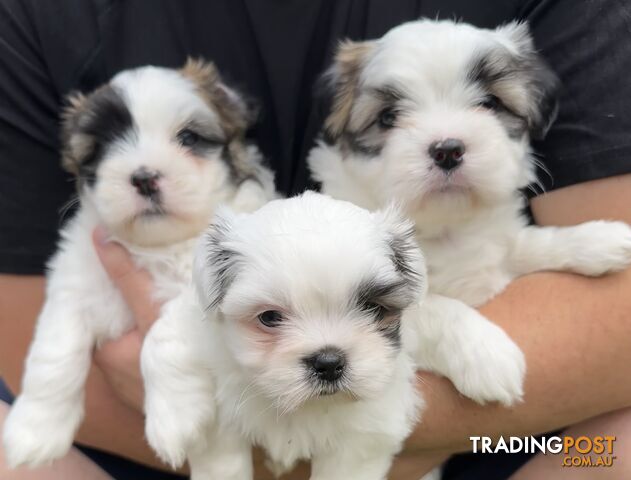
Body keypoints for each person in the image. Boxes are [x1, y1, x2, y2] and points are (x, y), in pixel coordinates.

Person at [0, 1, 630, 479]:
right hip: (146, 450)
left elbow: (616, 321)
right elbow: (23, 345)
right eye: (389, 117)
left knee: (614, 443)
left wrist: (361, 438)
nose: (443, 138)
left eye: (490, 105)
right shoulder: (37, 19)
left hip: (521, 447)